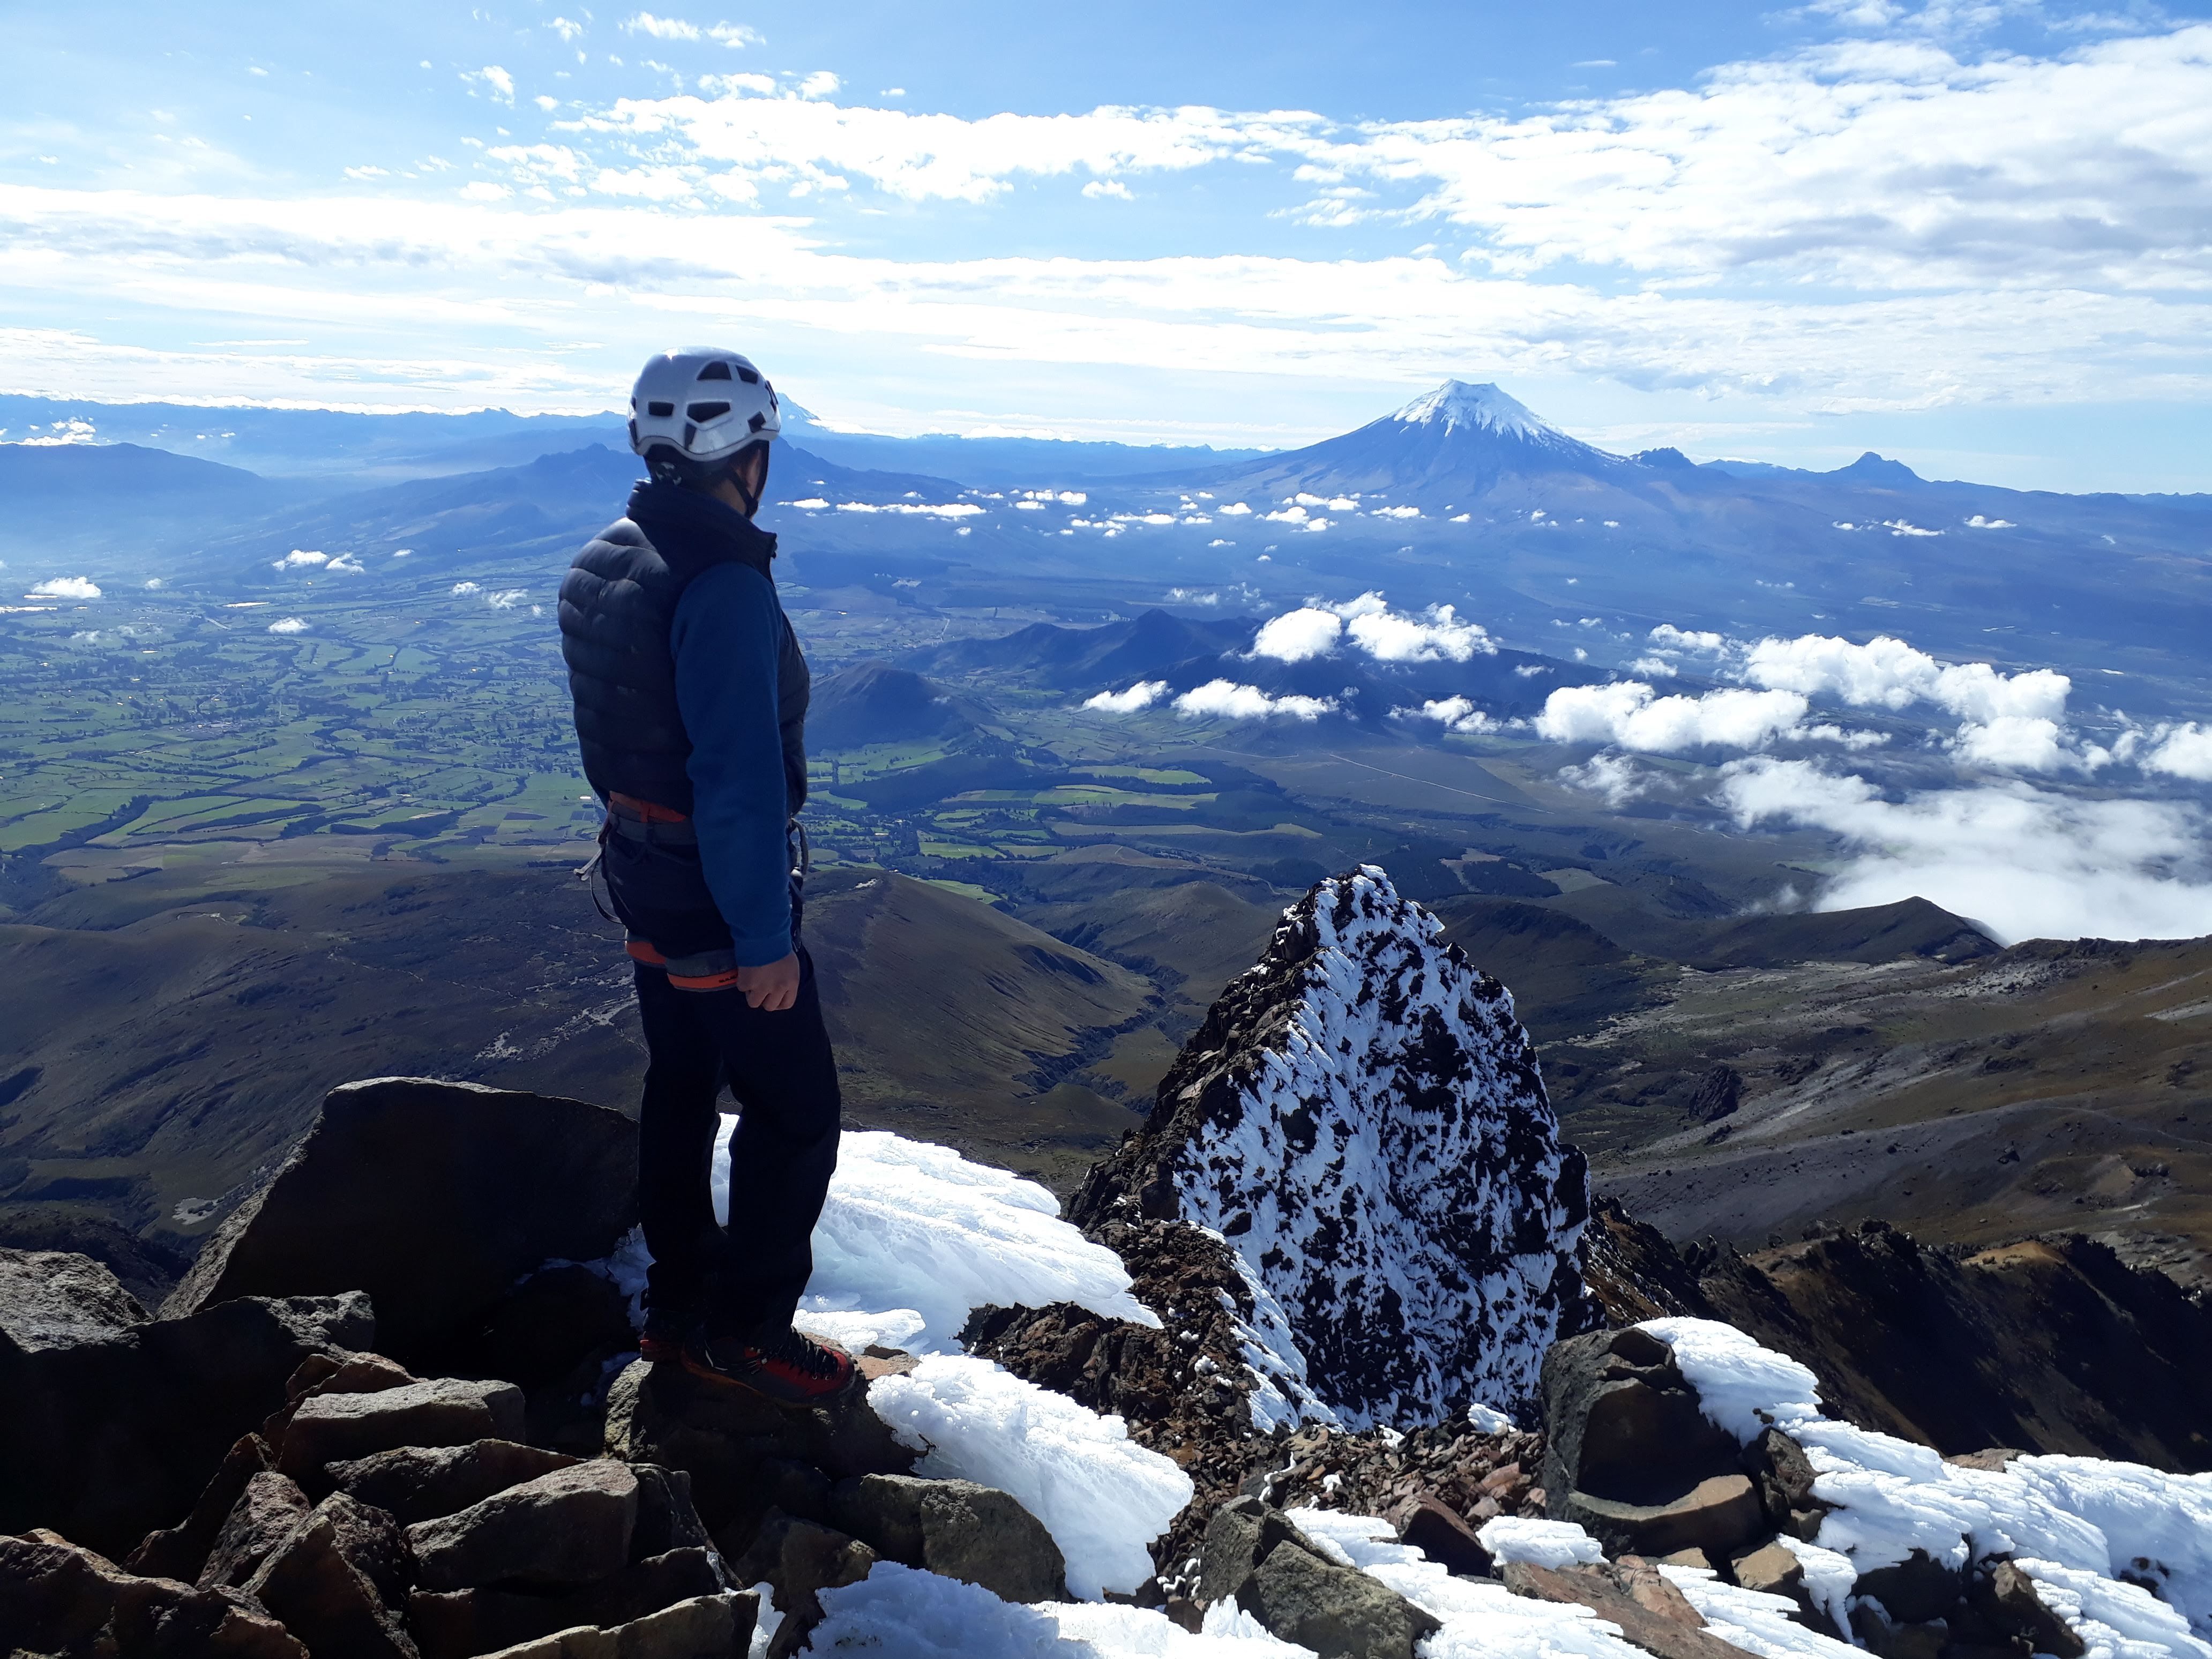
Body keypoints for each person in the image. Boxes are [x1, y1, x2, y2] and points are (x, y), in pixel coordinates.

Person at [558, 346, 852, 1403]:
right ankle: (750, 1332)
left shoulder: (608, 556)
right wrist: (764, 941)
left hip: (639, 874)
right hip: (715, 897)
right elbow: (736, 781)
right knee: (795, 1112)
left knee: (680, 1084)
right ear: (745, 454)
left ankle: (678, 1312)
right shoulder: (720, 585)